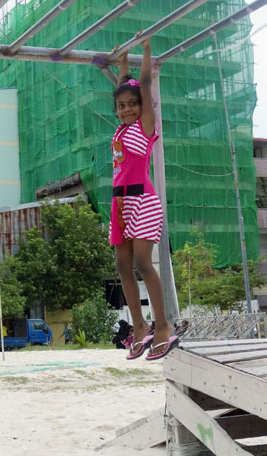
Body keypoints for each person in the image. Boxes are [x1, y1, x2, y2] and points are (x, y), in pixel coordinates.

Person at [111, 40, 177, 361]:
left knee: (141, 263)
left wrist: (146, 51)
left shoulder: (145, 126)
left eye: (132, 104)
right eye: (121, 105)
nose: (126, 109)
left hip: (143, 199)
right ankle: (139, 327)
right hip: (119, 202)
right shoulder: (121, 131)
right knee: (122, 266)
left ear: (142, 106)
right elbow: (125, 86)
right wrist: (122, 61)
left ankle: (162, 325)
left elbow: (144, 84)